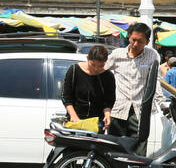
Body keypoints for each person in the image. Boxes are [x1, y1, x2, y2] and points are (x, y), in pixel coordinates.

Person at [105, 24, 160, 155]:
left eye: (140, 41)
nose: (135, 44)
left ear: (147, 41)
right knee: (115, 147)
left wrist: (161, 102)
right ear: (129, 37)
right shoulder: (117, 54)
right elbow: (101, 72)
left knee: (138, 149)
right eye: (133, 40)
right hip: (118, 109)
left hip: (140, 111)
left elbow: (155, 80)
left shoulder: (152, 55)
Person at [61, 45, 115, 128]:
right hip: (75, 120)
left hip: (96, 122)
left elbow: (108, 101)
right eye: (93, 65)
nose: (96, 69)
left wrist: (107, 114)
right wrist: (74, 116)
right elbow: (66, 96)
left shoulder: (108, 76)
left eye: (100, 66)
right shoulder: (74, 70)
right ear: (87, 58)